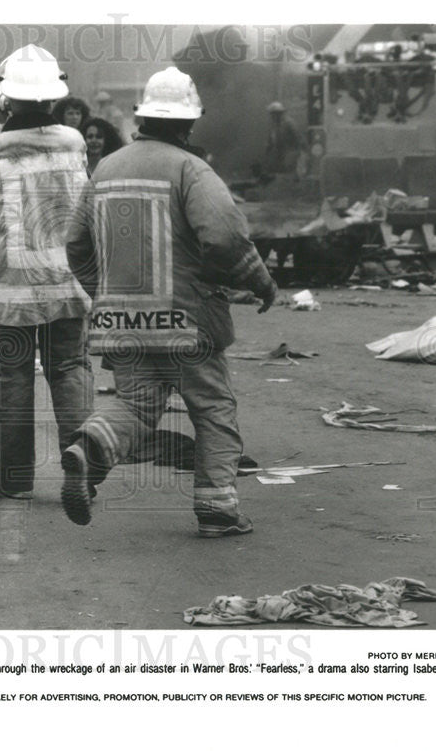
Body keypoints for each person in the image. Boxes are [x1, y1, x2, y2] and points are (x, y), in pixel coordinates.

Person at [62, 67, 278, 536]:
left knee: (135, 406)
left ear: (143, 117)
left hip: (122, 322)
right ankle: (218, 508)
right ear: (188, 123)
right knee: (213, 409)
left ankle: (89, 449)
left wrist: (105, 291)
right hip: (188, 323)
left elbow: (75, 243)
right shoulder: (191, 169)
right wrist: (260, 282)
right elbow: (224, 236)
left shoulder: (107, 168)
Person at [0, 44, 93, 499]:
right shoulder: (74, 141)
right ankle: (82, 459)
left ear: (8, 97)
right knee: (69, 370)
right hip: (68, 282)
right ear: (55, 96)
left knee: (11, 380)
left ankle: (13, 480)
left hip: (12, 291)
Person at [263, 101, 302, 175]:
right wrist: (268, 150)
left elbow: (298, 138)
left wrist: (296, 152)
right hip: (279, 152)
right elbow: (271, 140)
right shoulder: (274, 125)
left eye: (273, 114)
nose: (272, 116)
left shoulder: (289, 123)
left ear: (279, 113)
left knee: (288, 171)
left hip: (290, 151)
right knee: (278, 171)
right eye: (271, 114)